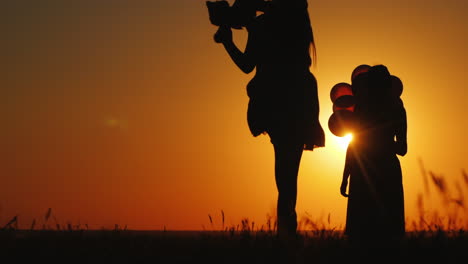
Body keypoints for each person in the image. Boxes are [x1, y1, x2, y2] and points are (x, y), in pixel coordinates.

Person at [214, 0, 325, 238]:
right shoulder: (299, 24)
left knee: (283, 172)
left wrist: (228, 41)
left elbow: (246, 64)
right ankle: (287, 230)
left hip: (275, 98)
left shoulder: (265, 24)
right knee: (288, 172)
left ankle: (285, 232)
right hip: (299, 98)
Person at [340, 65, 407, 245]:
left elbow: (353, 145)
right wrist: (385, 142)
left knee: (361, 236)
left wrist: (346, 175)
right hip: (387, 171)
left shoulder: (361, 109)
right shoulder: (397, 110)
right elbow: (402, 149)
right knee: (389, 237)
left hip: (363, 173)